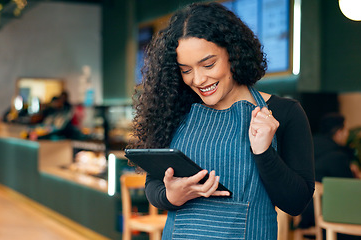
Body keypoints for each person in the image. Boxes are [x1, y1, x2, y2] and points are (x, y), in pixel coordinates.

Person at [130, 2, 314, 239]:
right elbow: (154, 183)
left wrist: (263, 152)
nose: (198, 79)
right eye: (186, 70)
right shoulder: (177, 111)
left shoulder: (283, 112)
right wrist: (170, 197)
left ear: (233, 53)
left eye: (208, 64)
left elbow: (297, 203)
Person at [297, 113, 358, 232]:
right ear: (339, 132)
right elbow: (351, 189)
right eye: (346, 130)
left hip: (303, 210)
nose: (347, 134)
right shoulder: (337, 156)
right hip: (326, 214)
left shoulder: (307, 145)